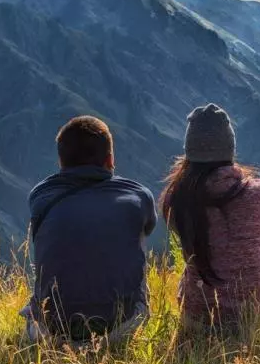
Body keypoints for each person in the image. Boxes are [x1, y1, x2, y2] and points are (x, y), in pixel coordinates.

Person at [20, 115, 157, 345]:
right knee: (135, 237)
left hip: (52, 329)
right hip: (120, 328)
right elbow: (149, 227)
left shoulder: (40, 196)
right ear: (110, 159)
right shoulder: (139, 196)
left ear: (61, 162)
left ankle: (59, 344)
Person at [159, 104, 260, 333]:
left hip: (199, 317)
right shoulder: (257, 191)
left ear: (190, 150)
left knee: (193, 266)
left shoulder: (177, 199)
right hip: (255, 313)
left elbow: (178, 229)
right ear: (230, 149)